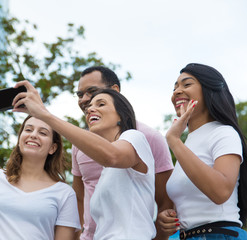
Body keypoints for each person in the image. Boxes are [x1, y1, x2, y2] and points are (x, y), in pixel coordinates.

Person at [12, 81, 157, 239]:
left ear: (121, 115)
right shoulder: (106, 173)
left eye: (101, 104)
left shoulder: (134, 137)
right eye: (89, 107)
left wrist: (44, 114)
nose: (90, 109)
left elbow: (113, 156)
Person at [72, 66, 174, 239]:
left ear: (115, 92)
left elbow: (166, 201)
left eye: (92, 92)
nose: (86, 101)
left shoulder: (145, 137)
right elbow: (78, 198)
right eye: (80, 95)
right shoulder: (78, 145)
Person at [157, 63, 247, 239]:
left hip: (218, 234)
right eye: (175, 88)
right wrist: (168, 217)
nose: (177, 92)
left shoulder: (224, 132)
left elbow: (220, 192)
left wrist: (174, 141)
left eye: (186, 84)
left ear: (210, 90)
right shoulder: (188, 142)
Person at [0, 115, 81, 239]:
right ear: (19, 140)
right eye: (28, 129)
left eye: (43, 133)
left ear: (52, 148)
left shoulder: (65, 193)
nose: (33, 135)